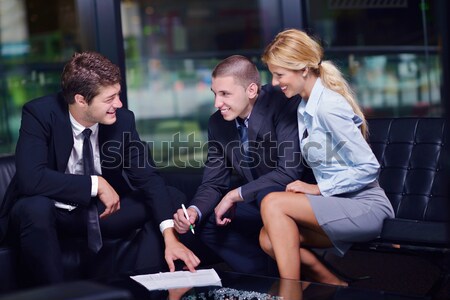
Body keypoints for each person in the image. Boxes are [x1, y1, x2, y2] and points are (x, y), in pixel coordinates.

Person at [1, 51, 200, 287]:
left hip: (98, 215)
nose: (119, 104)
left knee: (170, 196)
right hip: (49, 214)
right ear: (81, 100)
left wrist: (171, 237)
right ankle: (55, 294)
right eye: (110, 99)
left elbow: (147, 177)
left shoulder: (123, 120)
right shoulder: (40, 114)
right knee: (35, 207)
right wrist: (95, 184)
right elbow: (30, 179)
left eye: (118, 95)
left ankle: (141, 286)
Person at [258, 29, 395, 285]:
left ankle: (291, 293)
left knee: (273, 203)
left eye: (279, 74)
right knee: (268, 239)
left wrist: (318, 189)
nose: (275, 83)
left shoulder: (328, 107)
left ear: (303, 69)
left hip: (365, 207)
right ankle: (336, 286)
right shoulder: (304, 108)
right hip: (338, 206)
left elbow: (369, 167)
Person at [173, 55, 306, 275]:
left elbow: (289, 171)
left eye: (225, 94)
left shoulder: (282, 105)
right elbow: (213, 183)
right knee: (206, 223)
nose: (217, 103)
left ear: (252, 91)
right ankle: (263, 276)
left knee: (267, 197)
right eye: (215, 94)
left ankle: (290, 277)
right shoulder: (217, 123)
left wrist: (235, 195)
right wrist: (194, 212)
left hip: (289, 202)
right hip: (255, 202)